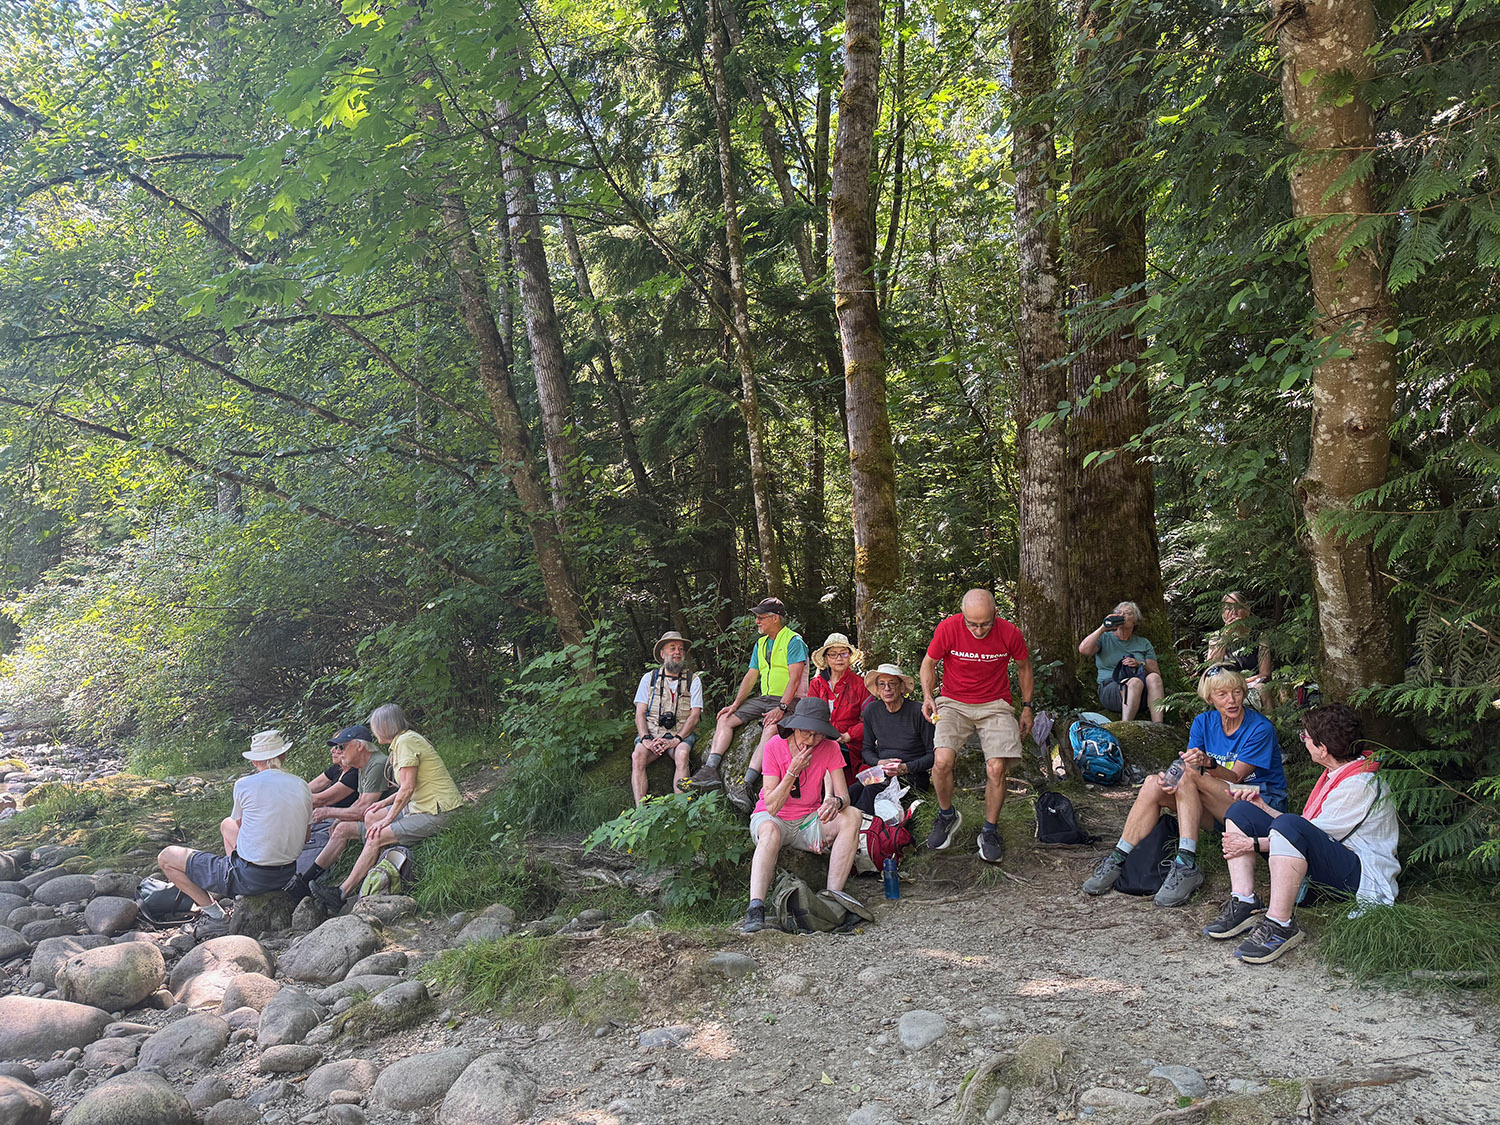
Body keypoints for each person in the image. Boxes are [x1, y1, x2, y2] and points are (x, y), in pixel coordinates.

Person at [1204, 703, 1399, 963]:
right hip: (1333, 859)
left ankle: (1280, 924)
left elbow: (1303, 833)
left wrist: (1251, 844)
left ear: (1323, 749)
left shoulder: (1359, 784)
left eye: (1305, 736)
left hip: (1358, 876)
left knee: (1289, 825)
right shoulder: (1340, 773)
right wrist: (1262, 808)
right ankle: (1244, 900)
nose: (1303, 741)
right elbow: (1308, 829)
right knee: (1242, 810)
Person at [1082, 665, 1288, 906]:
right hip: (1218, 803)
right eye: (1222, 695)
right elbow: (1187, 762)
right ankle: (1118, 857)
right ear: (1210, 698)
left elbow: (1236, 778)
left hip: (1259, 803)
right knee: (1152, 784)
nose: (1231, 700)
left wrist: (1207, 764)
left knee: (1188, 775)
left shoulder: (1260, 728)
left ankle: (1186, 862)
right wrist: (1169, 780)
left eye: (1237, 692)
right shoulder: (1203, 722)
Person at [309, 704, 464, 912]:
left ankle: (342, 892)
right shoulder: (401, 742)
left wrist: (388, 819)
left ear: (384, 726)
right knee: (373, 816)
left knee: (377, 834)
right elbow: (406, 788)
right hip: (420, 807)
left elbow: (408, 787)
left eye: (374, 726)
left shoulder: (407, 742)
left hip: (439, 812)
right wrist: (382, 804)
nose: (373, 732)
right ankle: (375, 875)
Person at [920, 589, 1034, 864]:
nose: (979, 630)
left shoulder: (1010, 633)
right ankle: (947, 815)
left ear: (995, 614)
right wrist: (927, 695)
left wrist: (1028, 706)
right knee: (942, 760)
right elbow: (929, 663)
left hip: (995, 704)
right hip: (953, 702)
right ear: (963, 616)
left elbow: (1024, 667)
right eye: (972, 624)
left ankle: (990, 830)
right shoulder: (948, 628)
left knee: (996, 767)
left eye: (985, 623)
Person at [739, 698, 872, 934]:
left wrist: (835, 801)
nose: (811, 740)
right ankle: (755, 907)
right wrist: (792, 771)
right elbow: (771, 806)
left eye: (817, 734)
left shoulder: (829, 748)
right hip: (773, 819)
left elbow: (845, 797)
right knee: (769, 830)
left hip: (808, 821)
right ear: (794, 727)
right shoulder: (773, 747)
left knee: (852, 815)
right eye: (805, 733)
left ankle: (834, 899)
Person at [157, 729, 313, 920]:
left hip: (252, 876)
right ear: (284, 755)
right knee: (226, 825)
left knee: (166, 857)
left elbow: (243, 826)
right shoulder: (302, 784)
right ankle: (238, 893)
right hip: (286, 873)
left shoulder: (244, 784)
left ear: (255, 761)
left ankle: (216, 916)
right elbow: (306, 837)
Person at [681, 598, 808, 808]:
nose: (757, 621)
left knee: (770, 728)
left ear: (775, 618)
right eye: (756, 617)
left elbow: (795, 679)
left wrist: (782, 707)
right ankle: (710, 770)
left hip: (791, 700)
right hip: (766, 698)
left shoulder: (793, 641)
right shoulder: (760, 643)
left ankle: (746, 784)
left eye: (761, 617)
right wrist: (735, 704)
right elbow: (751, 676)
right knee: (726, 718)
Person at [286, 725, 391, 896]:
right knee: (340, 827)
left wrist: (330, 813)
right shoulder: (365, 765)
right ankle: (307, 881)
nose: (338, 751)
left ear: (359, 746)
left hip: (389, 817)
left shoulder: (376, 764)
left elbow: (363, 809)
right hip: (377, 816)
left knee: (340, 829)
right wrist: (340, 817)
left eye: (342, 746)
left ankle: (321, 885)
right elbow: (359, 802)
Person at [850, 663, 934, 815]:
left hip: (912, 774)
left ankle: (864, 833)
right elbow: (867, 749)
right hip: (881, 772)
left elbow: (932, 755)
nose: (887, 688)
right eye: (882, 685)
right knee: (852, 792)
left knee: (870, 791)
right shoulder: (872, 711)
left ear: (902, 688)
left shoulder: (918, 711)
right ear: (877, 690)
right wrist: (878, 762)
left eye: (892, 684)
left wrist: (906, 767)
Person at [631, 631, 703, 805]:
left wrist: (676, 740)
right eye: (672, 648)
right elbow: (640, 713)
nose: (677, 652)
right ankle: (640, 811)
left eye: (680, 649)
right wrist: (646, 739)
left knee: (682, 754)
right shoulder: (649, 679)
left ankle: (681, 807)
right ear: (663, 654)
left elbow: (694, 716)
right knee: (637, 756)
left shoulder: (693, 680)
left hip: (681, 734)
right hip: (653, 733)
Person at [1078, 600, 1165, 722]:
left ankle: (1159, 726)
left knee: (1154, 678)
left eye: (1127, 613)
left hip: (1141, 695)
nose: (1122, 615)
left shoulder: (1143, 643)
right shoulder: (1105, 638)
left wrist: (1140, 664)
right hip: (1111, 691)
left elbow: (1155, 672)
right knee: (1134, 682)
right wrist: (1103, 627)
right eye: (1118, 613)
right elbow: (1084, 650)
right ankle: (1125, 726)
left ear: (1135, 620)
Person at [807, 632, 870, 784]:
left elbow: (869, 719)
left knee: (829, 754)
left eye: (843, 653)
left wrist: (849, 735)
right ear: (826, 659)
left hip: (849, 744)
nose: (839, 658)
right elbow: (809, 716)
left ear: (849, 656)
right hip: (818, 740)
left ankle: (832, 797)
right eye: (833, 654)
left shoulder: (861, 684)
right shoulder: (816, 684)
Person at [1206, 591, 1275, 709]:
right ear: (1223, 613)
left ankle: (1270, 725)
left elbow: (1265, 674)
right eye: (1228, 608)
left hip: (1253, 684)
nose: (1233, 612)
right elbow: (1212, 668)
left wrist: (1244, 682)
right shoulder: (1216, 638)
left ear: (1247, 610)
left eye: (1237, 607)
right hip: (1225, 684)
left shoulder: (1259, 637)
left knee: (1264, 690)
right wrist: (1225, 637)